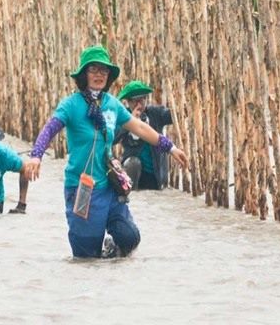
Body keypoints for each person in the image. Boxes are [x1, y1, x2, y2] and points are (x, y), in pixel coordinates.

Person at [23, 45, 188, 258]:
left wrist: (170, 147)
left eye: (104, 71)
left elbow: (139, 127)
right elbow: (51, 128)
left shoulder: (112, 104)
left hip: (109, 186)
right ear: (84, 74)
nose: (99, 75)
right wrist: (36, 155)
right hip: (81, 188)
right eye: (94, 69)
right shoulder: (71, 105)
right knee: (86, 258)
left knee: (129, 237)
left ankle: (112, 254)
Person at [116, 80, 174, 191]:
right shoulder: (123, 117)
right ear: (128, 102)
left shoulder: (154, 113)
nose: (139, 104)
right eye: (135, 101)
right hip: (134, 171)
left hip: (156, 173)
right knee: (133, 163)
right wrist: (130, 122)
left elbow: (175, 115)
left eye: (142, 99)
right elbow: (113, 138)